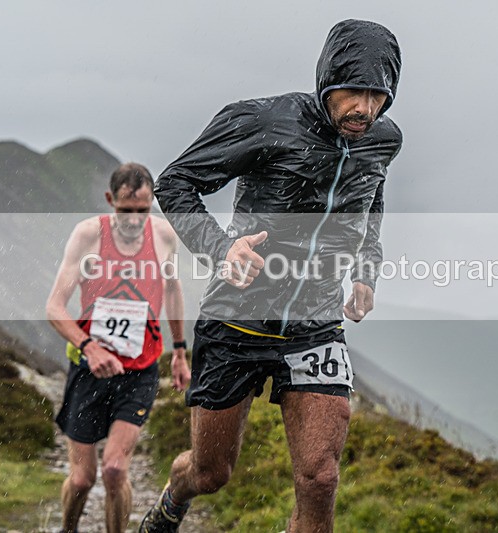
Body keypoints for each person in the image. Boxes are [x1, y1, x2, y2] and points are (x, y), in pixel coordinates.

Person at [139, 19, 402, 533]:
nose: (364, 109)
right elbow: (175, 182)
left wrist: (366, 270)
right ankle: (174, 497)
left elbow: (372, 202)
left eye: (378, 96)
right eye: (354, 92)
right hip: (236, 319)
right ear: (327, 80)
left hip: (316, 325)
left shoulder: (382, 140)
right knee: (211, 472)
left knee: (321, 479)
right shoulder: (263, 121)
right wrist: (221, 249)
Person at [46, 162, 191, 533]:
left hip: (140, 368)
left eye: (142, 211)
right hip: (88, 368)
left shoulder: (163, 237)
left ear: (151, 203)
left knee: (114, 471)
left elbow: (173, 290)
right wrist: (89, 347)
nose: (133, 220)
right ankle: (68, 529)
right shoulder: (88, 236)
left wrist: (179, 350)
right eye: (125, 211)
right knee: (81, 479)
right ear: (111, 200)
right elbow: (54, 308)